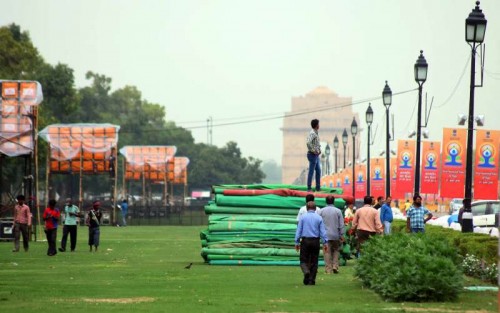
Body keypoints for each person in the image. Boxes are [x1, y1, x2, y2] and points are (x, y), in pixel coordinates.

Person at [295, 201, 328, 285]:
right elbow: (323, 232)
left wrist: (297, 242)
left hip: (305, 240)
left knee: (303, 259)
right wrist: (325, 242)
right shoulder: (319, 218)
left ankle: (306, 271)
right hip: (315, 241)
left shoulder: (302, 217)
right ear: (315, 208)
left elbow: (299, 230)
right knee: (314, 261)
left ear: (306, 208)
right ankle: (311, 280)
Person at [318, 196, 344, 274]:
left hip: (325, 235)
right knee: (336, 250)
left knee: (327, 251)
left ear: (326, 201)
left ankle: (328, 269)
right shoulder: (338, 211)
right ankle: (335, 266)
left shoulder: (321, 211)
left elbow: (318, 223)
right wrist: (342, 234)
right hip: (336, 234)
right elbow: (341, 224)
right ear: (333, 201)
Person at [306, 119, 321, 192]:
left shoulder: (316, 133)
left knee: (318, 171)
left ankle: (318, 187)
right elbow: (308, 142)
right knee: (311, 171)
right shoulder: (312, 133)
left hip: (316, 155)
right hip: (312, 155)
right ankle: (309, 188)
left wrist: (319, 150)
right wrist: (313, 151)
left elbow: (316, 143)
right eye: (318, 124)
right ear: (316, 125)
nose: (319, 125)